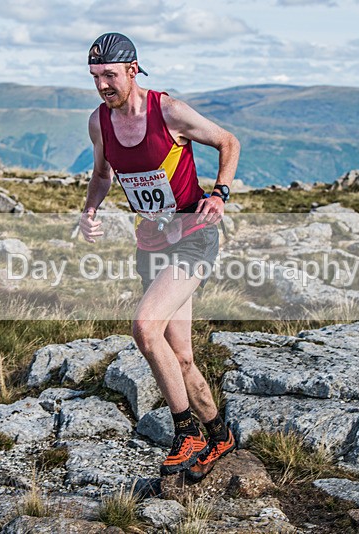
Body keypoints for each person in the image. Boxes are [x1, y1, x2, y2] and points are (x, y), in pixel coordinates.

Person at [79, 32, 241, 481]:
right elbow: (101, 173)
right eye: (95, 77)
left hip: (193, 237)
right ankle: (219, 433)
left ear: (133, 70)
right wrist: (90, 209)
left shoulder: (167, 111)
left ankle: (185, 431)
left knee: (144, 327)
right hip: (150, 243)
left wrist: (220, 194)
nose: (102, 85)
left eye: (110, 75)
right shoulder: (99, 122)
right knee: (180, 356)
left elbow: (229, 141)